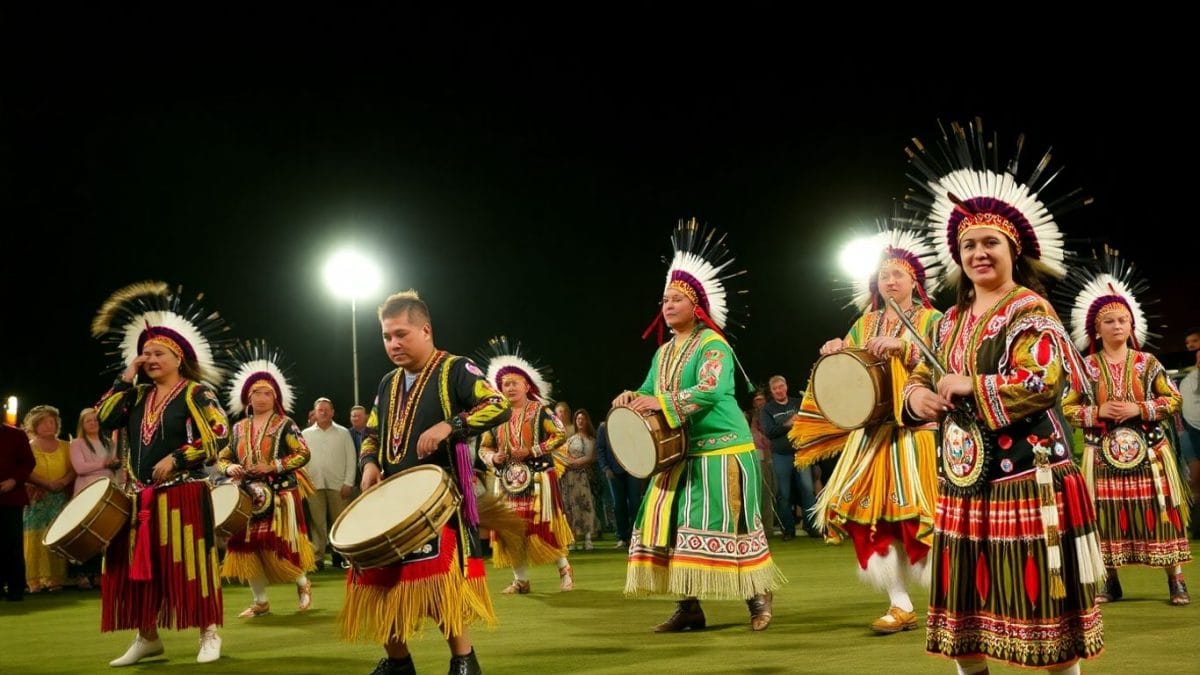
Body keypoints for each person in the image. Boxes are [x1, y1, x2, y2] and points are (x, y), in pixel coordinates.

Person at [902, 124, 1103, 673]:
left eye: (990, 242)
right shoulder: (945, 323)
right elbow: (917, 377)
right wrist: (918, 397)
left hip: (1027, 477)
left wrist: (973, 384)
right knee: (965, 617)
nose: (978, 252)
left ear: (1013, 249)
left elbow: (1045, 382)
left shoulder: (1028, 309)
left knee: (1044, 612)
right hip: (964, 484)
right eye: (968, 244)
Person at [614, 217, 785, 632]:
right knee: (667, 526)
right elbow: (648, 388)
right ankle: (689, 607)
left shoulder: (713, 344)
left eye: (675, 299)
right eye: (664, 300)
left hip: (724, 450)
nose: (667, 305)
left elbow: (710, 388)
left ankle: (758, 599)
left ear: (696, 306)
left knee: (736, 523)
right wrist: (631, 398)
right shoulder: (664, 352)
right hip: (681, 456)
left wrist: (663, 401)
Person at [344, 290, 511, 675]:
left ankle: (464, 661)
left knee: (437, 586)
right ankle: (399, 663)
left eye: (401, 334)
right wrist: (369, 463)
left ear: (425, 329)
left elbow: (497, 405)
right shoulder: (388, 382)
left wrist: (452, 425)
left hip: (438, 502)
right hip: (389, 502)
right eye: (386, 336)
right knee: (375, 582)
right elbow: (371, 431)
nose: (393, 343)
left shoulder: (456, 369)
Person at [791, 227, 942, 633]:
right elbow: (851, 379)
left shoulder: (933, 319)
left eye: (898, 274)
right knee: (868, 520)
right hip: (870, 438)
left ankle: (952, 601)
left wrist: (905, 348)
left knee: (918, 517)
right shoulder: (866, 321)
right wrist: (837, 351)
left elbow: (944, 364)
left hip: (916, 435)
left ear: (915, 280)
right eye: (883, 275)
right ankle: (900, 604)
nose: (890, 281)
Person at [91, 281, 231, 666]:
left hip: (183, 494)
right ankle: (147, 638)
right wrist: (126, 374)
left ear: (178, 357)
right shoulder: (134, 396)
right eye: (144, 354)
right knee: (137, 572)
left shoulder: (195, 392)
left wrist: (180, 457)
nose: (149, 358)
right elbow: (103, 418)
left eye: (157, 353)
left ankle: (209, 632)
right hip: (138, 499)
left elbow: (220, 435)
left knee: (190, 564)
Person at [1059, 250, 1190, 604]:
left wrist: (1140, 407)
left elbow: (1174, 400)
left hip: (1148, 451)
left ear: (1132, 325)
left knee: (1163, 512)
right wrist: (1098, 410)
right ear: (1096, 330)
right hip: (1102, 456)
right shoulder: (1085, 368)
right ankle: (1109, 581)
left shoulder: (1148, 363)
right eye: (1110, 321)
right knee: (1105, 518)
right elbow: (1068, 408)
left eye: (1123, 320)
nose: (1118, 326)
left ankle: (1175, 579)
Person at [217, 340, 317, 617]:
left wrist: (273, 466)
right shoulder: (238, 428)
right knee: (245, 548)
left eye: (267, 393)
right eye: (256, 393)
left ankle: (302, 583)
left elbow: (303, 453)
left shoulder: (286, 424)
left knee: (281, 544)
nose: (261, 397)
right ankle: (260, 601)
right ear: (248, 398)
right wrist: (229, 469)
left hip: (281, 494)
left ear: (276, 398)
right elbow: (223, 457)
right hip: (247, 496)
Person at [477, 336, 575, 592]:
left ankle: (564, 570)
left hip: (540, 478)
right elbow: (483, 447)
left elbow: (561, 434)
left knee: (543, 525)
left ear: (526, 384)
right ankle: (520, 580)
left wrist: (532, 450)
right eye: (505, 384)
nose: (509, 388)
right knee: (510, 531)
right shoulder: (495, 417)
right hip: (507, 481)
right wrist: (492, 457)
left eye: (515, 383)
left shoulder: (541, 411)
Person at [22, 404, 75, 593]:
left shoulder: (67, 446)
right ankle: (34, 580)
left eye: (51, 422)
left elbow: (73, 469)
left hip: (59, 497)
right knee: (34, 538)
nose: (48, 426)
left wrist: (62, 482)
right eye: (43, 423)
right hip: (36, 497)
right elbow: (24, 470)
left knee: (56, 536)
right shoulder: (28, 447)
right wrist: (43, 484)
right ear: (34, 426)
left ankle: (55, 579)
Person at [68, 407, 122, 589]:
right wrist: (104, 463)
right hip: (86, 492)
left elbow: (116, 468)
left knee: (104, 532)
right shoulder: (77, 443)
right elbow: (80, 468)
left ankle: (100, 573)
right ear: (82, 425)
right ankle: (82, 573)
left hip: (107, 491)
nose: (93, 423)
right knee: (85, 534)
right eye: (88, 421)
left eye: (96, 420)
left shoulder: (109, 443)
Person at [301, 397, 356, 571]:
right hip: (313, 484)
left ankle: (340, 555)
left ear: (332, 412)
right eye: (320, 410)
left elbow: (352, 458)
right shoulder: (305, 434)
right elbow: (301, 460)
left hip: (339, 485)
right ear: (314, 413)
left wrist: (349, 482)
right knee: (317, 523)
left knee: (339, 522)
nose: (323, 412)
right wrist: (304, 482)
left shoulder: (343, 433)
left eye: (326, 409)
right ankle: (317, 558)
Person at [561, 409, 598, 551]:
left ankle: (588, 537)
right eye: (578, 419)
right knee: (571, 507)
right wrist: (570, 462)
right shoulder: (571, 439)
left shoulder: (591, 440)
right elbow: (564, 455)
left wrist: (578, 462)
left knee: (586, 504)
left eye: (583, 419)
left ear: (587, 421)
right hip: (570, 477)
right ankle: (573, 538)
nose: (580, 421)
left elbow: (592, 457)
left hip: (584, 477)